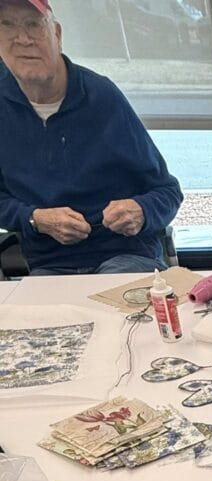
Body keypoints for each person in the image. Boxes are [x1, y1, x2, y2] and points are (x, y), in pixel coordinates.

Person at [0, 0, 183, 275]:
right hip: (50, 265)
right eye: (8, 26)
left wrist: (140, 210)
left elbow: (168, 192)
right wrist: (34, 218)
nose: (23, 39)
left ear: (57, 35)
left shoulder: (103, 98)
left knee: (119, 310)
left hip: (124, 253)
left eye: (34, 26)